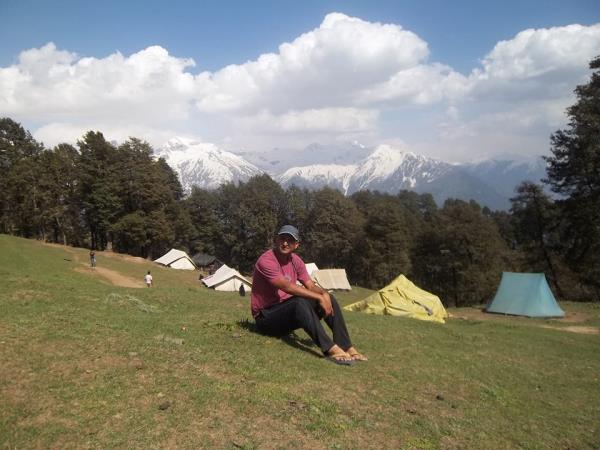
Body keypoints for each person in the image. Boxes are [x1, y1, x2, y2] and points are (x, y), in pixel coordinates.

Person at [251, 225, 367, 365]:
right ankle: (330, 349)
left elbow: (310, 285)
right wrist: (318, 297)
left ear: (296, 245)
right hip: (265, 318)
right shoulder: (266, 260)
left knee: (329, 298)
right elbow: (287, 286)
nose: (285, 243)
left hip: (285, 314)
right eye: (282, 238)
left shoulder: (296, 261)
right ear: (276, 240)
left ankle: (346, 346)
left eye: (290, 240)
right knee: (299, 302)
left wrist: (324, 294)